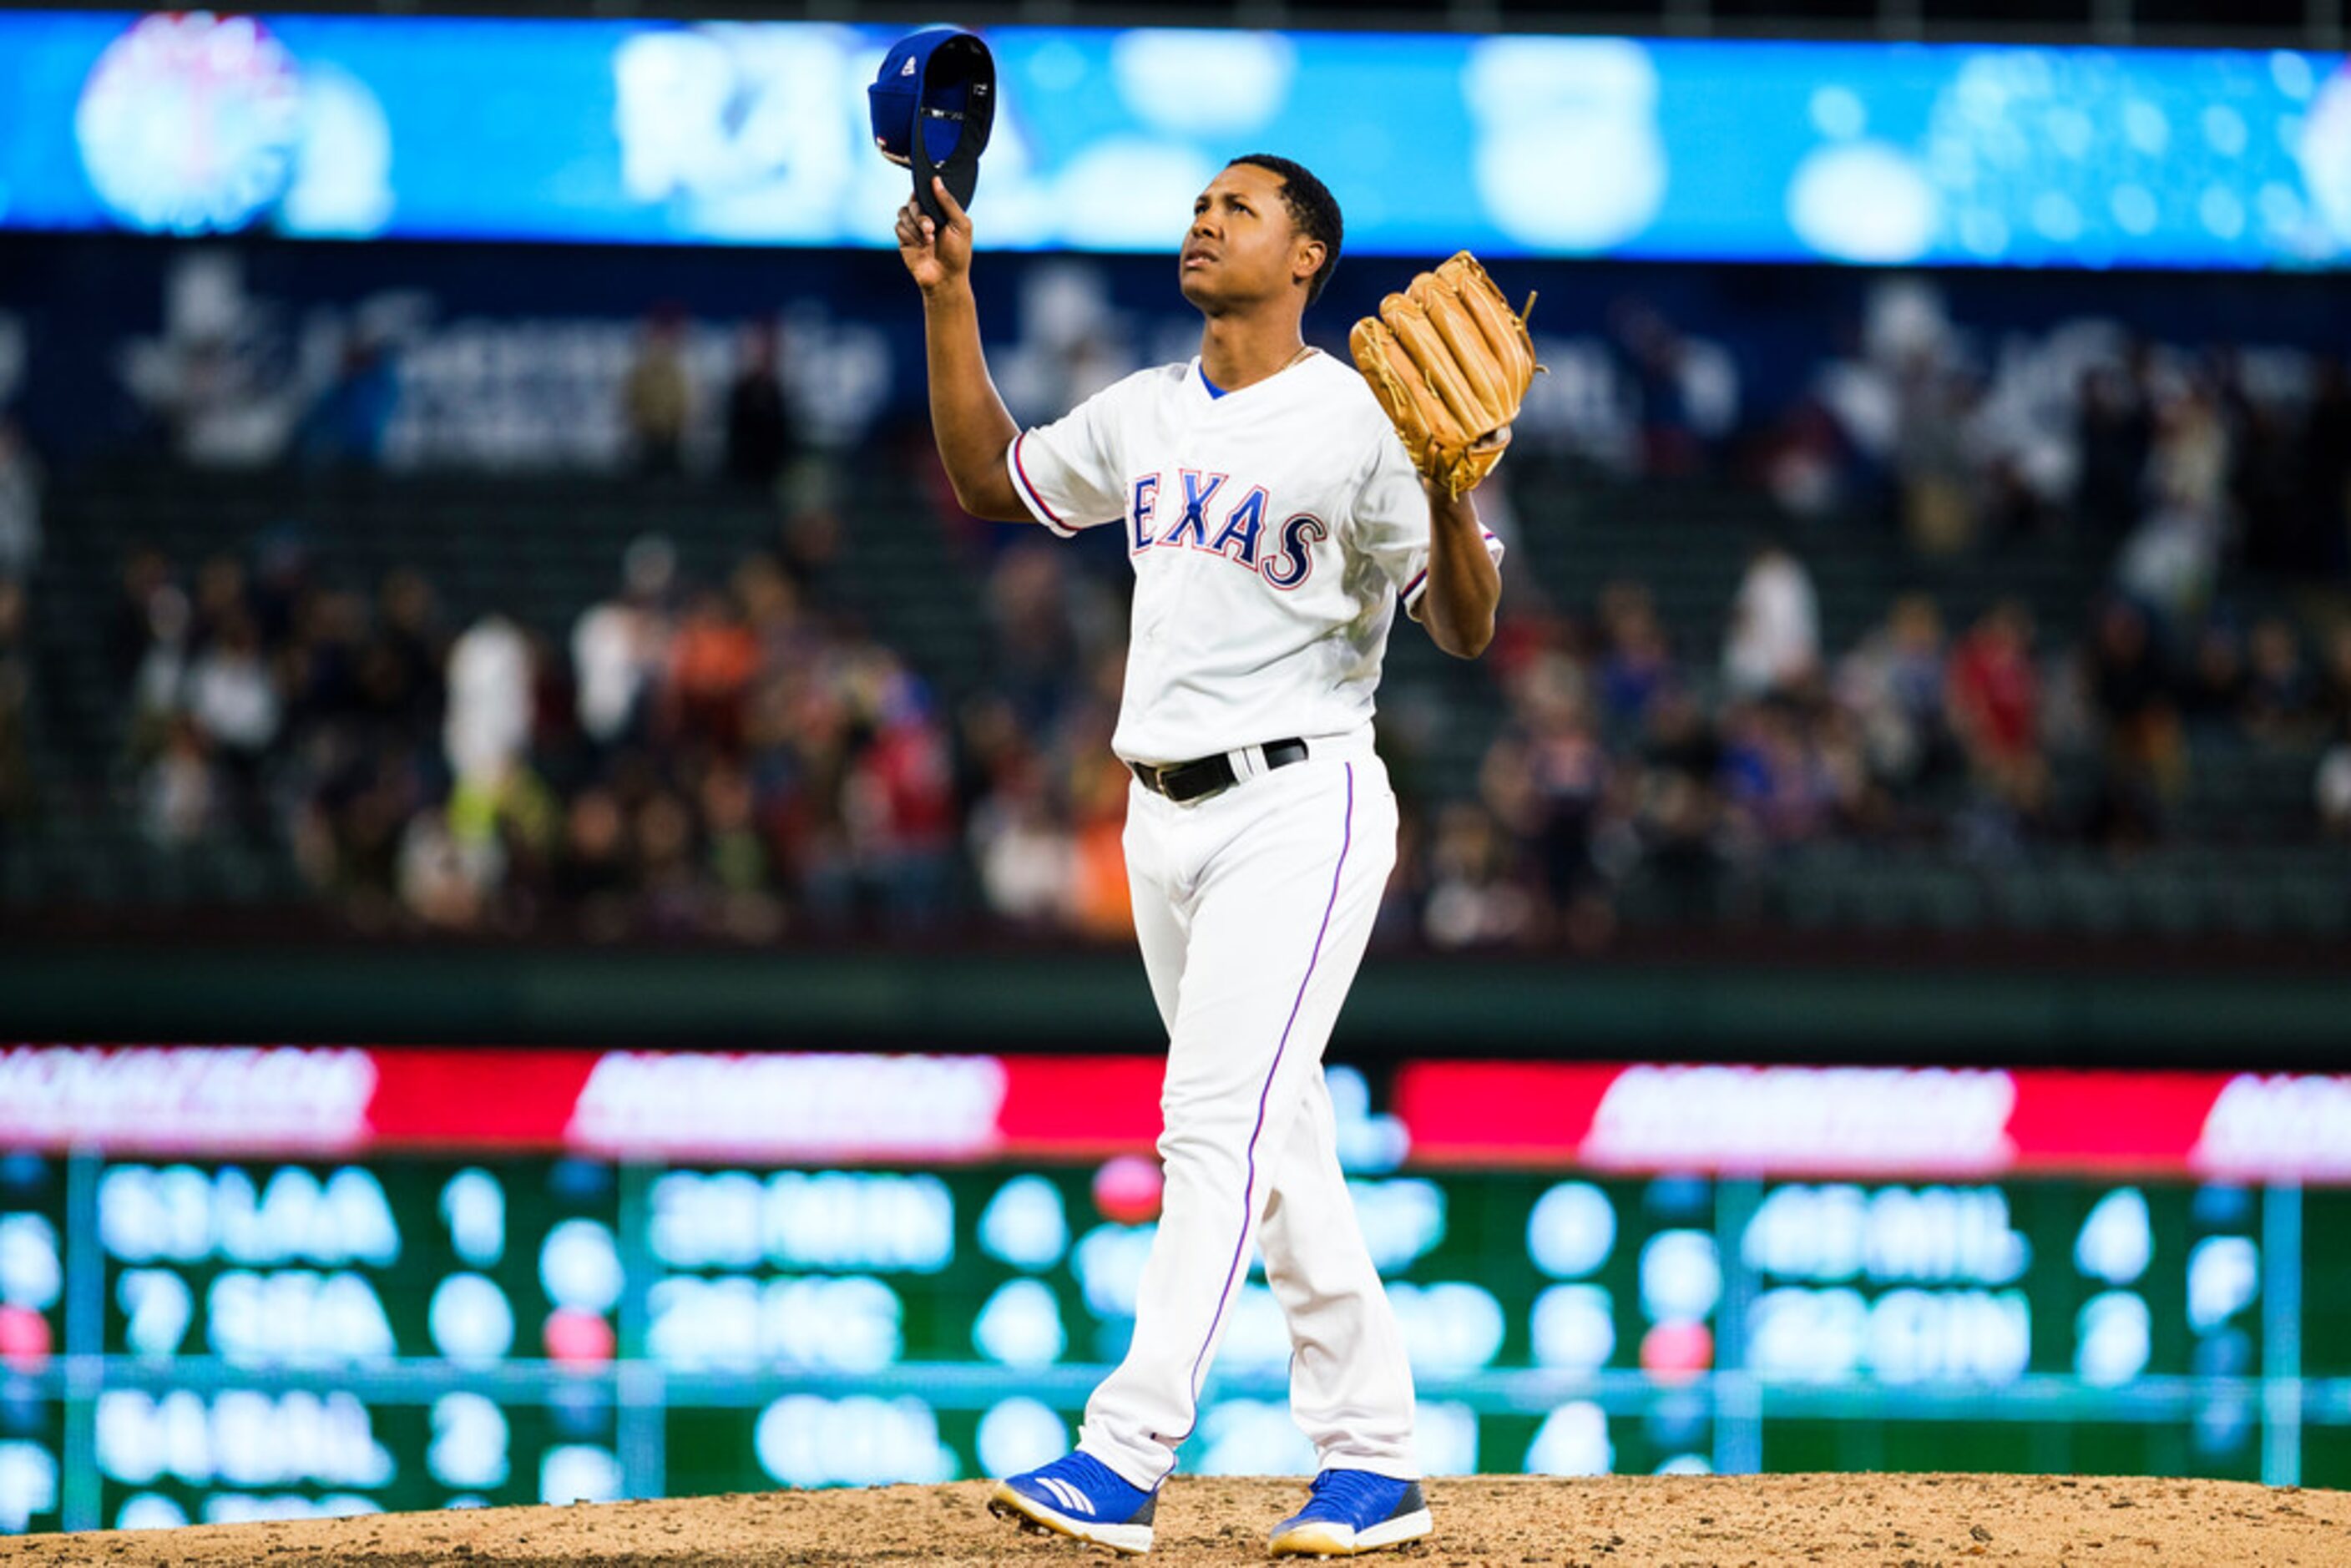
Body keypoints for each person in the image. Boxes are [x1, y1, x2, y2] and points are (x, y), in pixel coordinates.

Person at [897, 156, 1504, 1557]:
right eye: (1200, 204)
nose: (1205, 219)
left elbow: (1465, 627)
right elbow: (996, 479)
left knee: (1209, 1127)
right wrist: (951, 295)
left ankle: (1125, 1451)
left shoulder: (1365, 419)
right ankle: (1374, 1459)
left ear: (1308, 259)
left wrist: (1450, 489)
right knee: (1277, 1144)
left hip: (1302, 803)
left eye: (1241, 207)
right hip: (1160, 813)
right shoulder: (1152, 409)